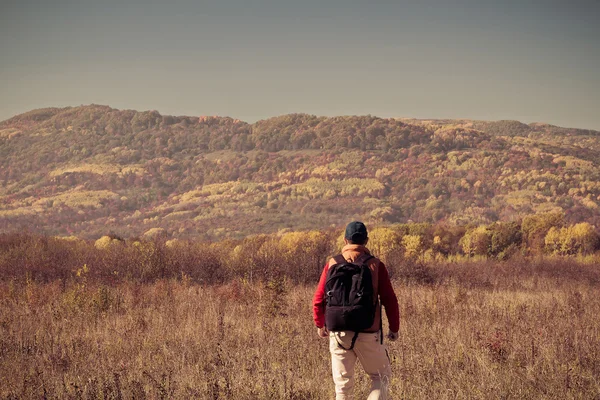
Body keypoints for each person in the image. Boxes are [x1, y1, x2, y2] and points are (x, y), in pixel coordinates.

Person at [313, 221, 400, 400]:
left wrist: (320, 324)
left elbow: (318, 299)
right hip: (368, 331)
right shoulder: (375, 265)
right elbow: (390, 300)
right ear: (366, 241)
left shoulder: (332, 263)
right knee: (380, 377)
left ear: (345, 240)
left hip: (338, 332)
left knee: (343, 388)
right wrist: (394, 328)